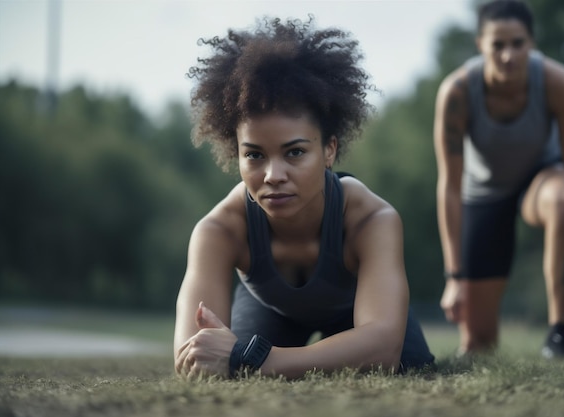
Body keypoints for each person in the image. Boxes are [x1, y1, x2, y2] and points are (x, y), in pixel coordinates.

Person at [174, 16, 435, 380]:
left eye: (294, 153)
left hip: (359, 315)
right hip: (270, 313)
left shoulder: (371, 219)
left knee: (410, 365)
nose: (273, 175)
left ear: (329, 150)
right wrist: (227, 353)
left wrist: (256, 360)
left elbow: (381, 350)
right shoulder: (219, 230)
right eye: (254, 155)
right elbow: (192, 355)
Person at [434, 0, 564, 358]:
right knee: (478, 346)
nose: (508, 55)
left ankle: (560, 335)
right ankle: (479, 333)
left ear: (532, 43)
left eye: (518, 43)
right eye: (498, 45)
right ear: (480, 45)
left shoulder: (557, 82)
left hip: (543, 179)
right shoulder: (457, 93)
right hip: (483, 194)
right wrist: (455, 278)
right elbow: (449, 185)